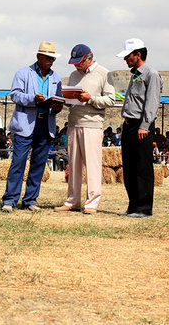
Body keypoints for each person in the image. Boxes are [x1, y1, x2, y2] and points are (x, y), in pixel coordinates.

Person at [1, 41, 63, 212]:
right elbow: (15, 95)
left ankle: (30, 200)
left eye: (53, 58)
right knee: (18, 162)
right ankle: (10, 200)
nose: (51, 61)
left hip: (46, 123)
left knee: (38, 164)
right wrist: (33, 99)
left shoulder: (56, 77)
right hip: (25, 125)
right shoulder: (23, 73)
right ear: (38, 57)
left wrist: (58, 106)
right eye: (48, 57)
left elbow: (58, 99)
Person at [55, 44, 115, 215]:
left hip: (92, 125)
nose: (76, 66)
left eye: (79, 62)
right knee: (73, 164)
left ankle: (92, 202)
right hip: (73, 123)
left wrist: (90, 99)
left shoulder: (104, 73)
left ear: (89, 58)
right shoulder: (74, 75)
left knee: (92, 165)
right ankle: (72, 201)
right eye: (74, 63)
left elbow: (111, 100)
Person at [117, 38, 162, 218]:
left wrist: (145, 125)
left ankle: (144, 208)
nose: (125, 59)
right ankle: (133, 206)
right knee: (129, 167)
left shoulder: (151, 74)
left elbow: (151, 102)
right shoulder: (135, 74)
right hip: (128, 124)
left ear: (138, 54)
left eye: (128, 55)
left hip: (141, 125)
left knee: (142, 167)